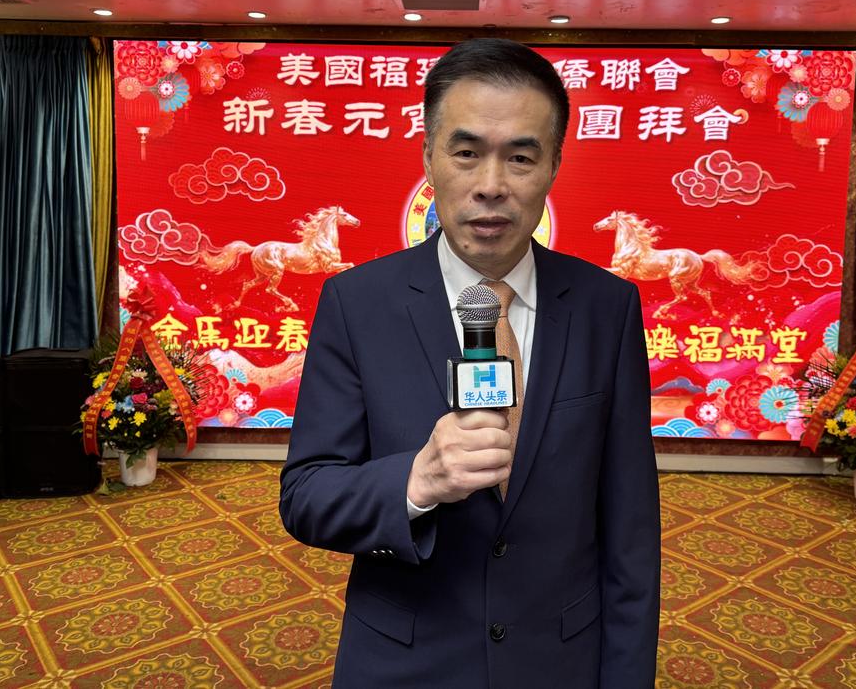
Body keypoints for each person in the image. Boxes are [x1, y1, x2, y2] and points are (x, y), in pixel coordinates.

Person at [280, 38, 660, 688]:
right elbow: (307, 496)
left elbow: (630, 532)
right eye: (466, 153)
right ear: (429, 157)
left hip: (558, 661)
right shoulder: (356, 302)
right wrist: (416, 481)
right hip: (405, 663)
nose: (491, 186)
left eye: (521, 157)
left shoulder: (607, 306)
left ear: (554, 166)